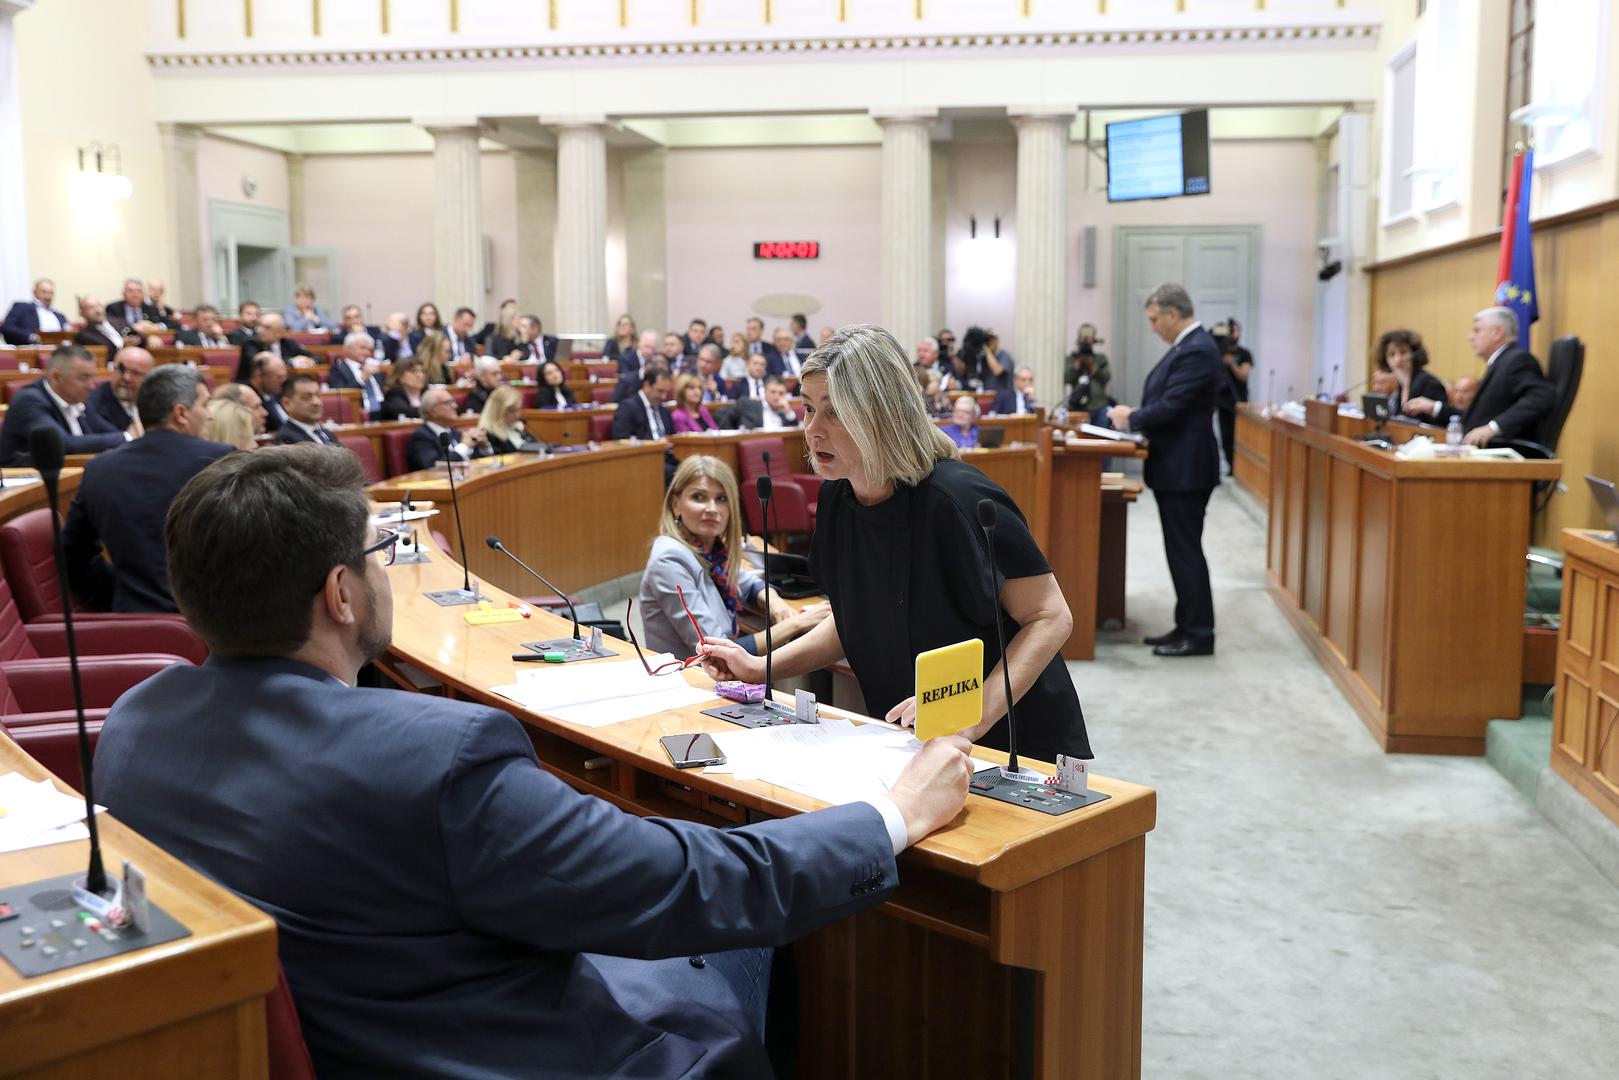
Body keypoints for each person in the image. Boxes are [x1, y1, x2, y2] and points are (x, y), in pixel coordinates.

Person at [94, 443, 973, 1078]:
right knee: (747, 936)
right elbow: (692, 887)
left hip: (347, 1037)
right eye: (382, 552)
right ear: (339, 591)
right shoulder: (435, 758)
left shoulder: (134, 724)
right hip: (515, 1051)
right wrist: (893, 814)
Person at [701, 324, 1090, 764]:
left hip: (1012, 740)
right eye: (808, 410)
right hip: (911, 735)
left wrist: (975, 712)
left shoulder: (958, 498)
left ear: (882, 414)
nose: (813, 430)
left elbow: (1051, 616)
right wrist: (761, 667)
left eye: (835, 413)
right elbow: (856, 621)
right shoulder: (838, 495)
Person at [1107, 284, 1222, 658]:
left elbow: (1172, 406)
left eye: (1155, 319)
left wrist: (1131, 418)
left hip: (1186, 469)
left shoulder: (1198, 350)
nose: (1153, 327)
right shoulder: (1188, 348)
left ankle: (1199, 633)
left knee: (1185, 551)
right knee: (1180, 550)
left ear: (1173, 313)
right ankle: (1186, 625)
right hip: (1177, 466)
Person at [64, 364, 232, 612]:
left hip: (133, 623)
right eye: (205, 405)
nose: (210, 415)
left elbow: (74, 555)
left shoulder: (99, 468)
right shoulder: (219, 460)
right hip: (217, 624)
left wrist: (120, 592)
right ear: (181, 413)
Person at [640, 455, 828, 658]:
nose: (712, 509)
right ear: (676, 504)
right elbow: (715, 651)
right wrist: (796, 623)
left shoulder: (710, 548)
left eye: (721, 499)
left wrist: (775, 602)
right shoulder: (669, 560)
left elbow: (747, 584)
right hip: (690, 679)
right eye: (699, 497)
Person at [1403, 306, 1554, 446]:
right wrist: (1434, 407)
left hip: (1500, 453)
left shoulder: (1517, 360)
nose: (1470, 337)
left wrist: (1493, 428)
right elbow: (1476, 417)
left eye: (1477, 330)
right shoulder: (1501, 362)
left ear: (1497, 332)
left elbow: (1540, 397)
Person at [0, 345, 130, 465]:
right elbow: (62, 444)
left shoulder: (77, 398)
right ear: (56, 377)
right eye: (83, 378)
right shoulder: (29, 401)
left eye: (92, 378)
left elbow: (104, 430)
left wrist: (131, 439)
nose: (91, 386)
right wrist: (127, 436)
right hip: (23, 481)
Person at [407, 386, 492, 471]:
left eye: (454, 402)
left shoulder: (456, 433)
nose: (455, 406)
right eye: (448, 402)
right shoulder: (421, 437)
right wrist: (465, 446)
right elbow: (433, 468)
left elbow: (476, 463)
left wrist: (484, 448)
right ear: (432, 411)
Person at [1370, 328, 1446, 420]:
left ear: (1415, 354)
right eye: (1392, 354)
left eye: (1403, 352)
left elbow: (1440, 422)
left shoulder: (1428, 383)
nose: (1398, 359)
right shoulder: (1401, 384)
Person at [87, 346, 155, 433]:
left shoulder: (156, 402)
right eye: (120, 369)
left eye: (135, 373)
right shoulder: (93, 405)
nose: (126, 378)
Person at [327, 331, 388, 419]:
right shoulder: (338, 369)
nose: (367, 352)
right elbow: (340, 396)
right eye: (362, 348)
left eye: (369, 349)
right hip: (359, 410)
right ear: (348, 348)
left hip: (385, 410)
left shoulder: (374, 366)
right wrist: (362, 378)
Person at [234, 311, 309, 382]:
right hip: (251, 388)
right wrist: (291, 361)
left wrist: (309, 360)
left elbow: (317, 358)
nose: (260, 330)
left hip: (282, 386)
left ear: (280, 332)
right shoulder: (250, 342)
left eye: (267, 327)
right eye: (259, 326)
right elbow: (260, 363)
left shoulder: (288, 344)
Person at [610, 364, 675, 442]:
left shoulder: (664, 410)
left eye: (666, 392)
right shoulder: (627, 408)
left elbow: (672, 436)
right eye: (660, 391)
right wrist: (654, 445)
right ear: (647, 385)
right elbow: (622, 439)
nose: (663, 397)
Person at [275, 373, 340, 446]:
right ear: (287, 404)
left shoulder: (326, 433)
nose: (316, 402)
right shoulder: (287, 440)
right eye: (307, 397)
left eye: (318, 395)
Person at [3, 278, 68, 345]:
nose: (48, 296)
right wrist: (31, 337)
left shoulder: (60, 316)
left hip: (61, 351)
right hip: (31, 350)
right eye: (44, 292)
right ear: (34, 292)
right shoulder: (22, 308)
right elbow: (7, 328)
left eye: (51, 293)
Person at [1064, 323, 1111, 415]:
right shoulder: (1073, 359)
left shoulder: (1100, 358)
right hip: (1078, 406)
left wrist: (1092, 366)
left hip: (1098, 406)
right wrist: (1076, 365)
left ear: (1094, 339)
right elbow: (1066, 379)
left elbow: (1106, 378)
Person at [478, 385, 537, 454]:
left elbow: (534, 445)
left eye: (519, 410)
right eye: (512, 411)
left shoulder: (516, 427)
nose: (517, 415)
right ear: (498, 411)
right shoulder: (489, 435)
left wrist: (523, 433)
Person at [733, 375, 798, 431]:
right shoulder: (751, 406)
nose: (776, 397)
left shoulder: (785, 411)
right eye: (773, 392)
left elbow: (794, 434)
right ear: (765, 392)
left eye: (781, 393)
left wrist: (788, 412)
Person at [614, 329, 661, 402]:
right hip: (629, 397)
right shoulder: (626, 359)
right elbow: (626, 379)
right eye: (647, 347)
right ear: (639, 343)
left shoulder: (658, 360)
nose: (649, 351)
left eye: (653, 349)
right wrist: (642, 372)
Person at [249, 353, 290, 433]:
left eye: (285, 376)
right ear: (259, 375)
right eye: (279, 377)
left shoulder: (277, 394)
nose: (284, 381)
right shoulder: (249, 400)